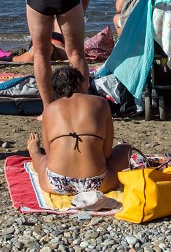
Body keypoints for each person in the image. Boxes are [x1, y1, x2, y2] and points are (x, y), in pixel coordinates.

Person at [27, 66, 133, 196]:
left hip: (55, 182)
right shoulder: (100, 103)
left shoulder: (49, 109)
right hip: (97, 183)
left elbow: (49, 153)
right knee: (125, 149)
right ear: (79, 82)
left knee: (43, 160)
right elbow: (106, 153)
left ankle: (34, 152)